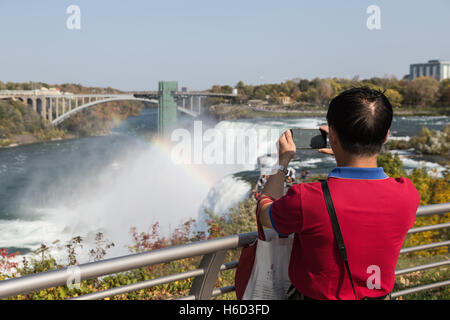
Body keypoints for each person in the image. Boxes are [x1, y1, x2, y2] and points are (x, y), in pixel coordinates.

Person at [257, 87, 420, 300]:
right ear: (386, 136)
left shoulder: (306, 198)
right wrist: (346, 152)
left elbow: (264, 211)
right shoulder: (407, 194)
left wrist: (282, 163)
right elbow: (371, 193)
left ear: (332, 135)